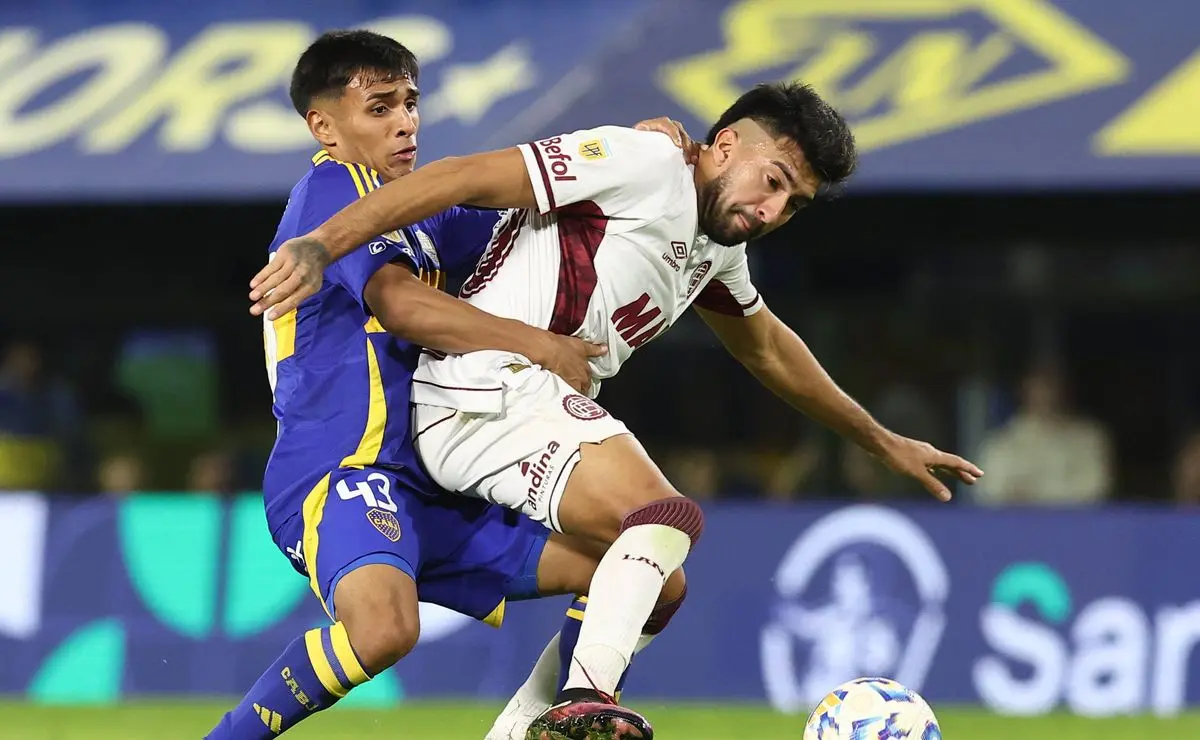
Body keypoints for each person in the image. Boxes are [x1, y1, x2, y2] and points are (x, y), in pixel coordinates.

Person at [250, 81, 985, 738]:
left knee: (657, 585)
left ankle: (523, 729)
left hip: (525, 406)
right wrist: (323, 243)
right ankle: (584, 699)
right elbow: (464, 178)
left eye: (792, 204)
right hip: (484, 385)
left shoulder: (716, 246)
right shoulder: (644, 162)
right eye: (773, 181)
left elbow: (766, 347)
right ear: (724, 145)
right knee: (664, 516)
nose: (770, 210)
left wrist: (881, 440)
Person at [207, 30, 688, 740]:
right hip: (343, 467)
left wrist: (634, 152)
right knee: (384, 628)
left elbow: (536, 196)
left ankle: (545, 723)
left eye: (410, 102)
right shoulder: (330, 192)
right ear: (324, 126)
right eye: (379, 108)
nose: (405, 122)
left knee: (644, 575)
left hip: (433, 483)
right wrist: (541, 346)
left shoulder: (426, 211)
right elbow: (398, 304)